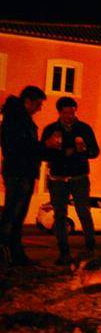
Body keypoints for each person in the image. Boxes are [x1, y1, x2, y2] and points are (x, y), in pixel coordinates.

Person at [40, 96, 100, 264]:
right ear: (60, 112)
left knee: (83, 212)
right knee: (60, 215)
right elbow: (42, 154)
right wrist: (50, 147)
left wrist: (82, 150)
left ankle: (90, 248)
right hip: (58, 178)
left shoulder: (84, 129)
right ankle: (64, 252)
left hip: (79, 177)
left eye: (72, 112)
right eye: (66, 113)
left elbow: (95, 152)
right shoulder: (51, 129)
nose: (69, 116)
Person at [0, 85, 46, 266]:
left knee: (16, 215)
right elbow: (21, 148)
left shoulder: (17, 118)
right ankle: (8, 254)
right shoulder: (16, 121)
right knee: (13, 214)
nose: (40, 108)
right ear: (28, 101)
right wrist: (44, 146)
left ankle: (14, 254)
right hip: (19, 172)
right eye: (38, 104)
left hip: (20, 171)